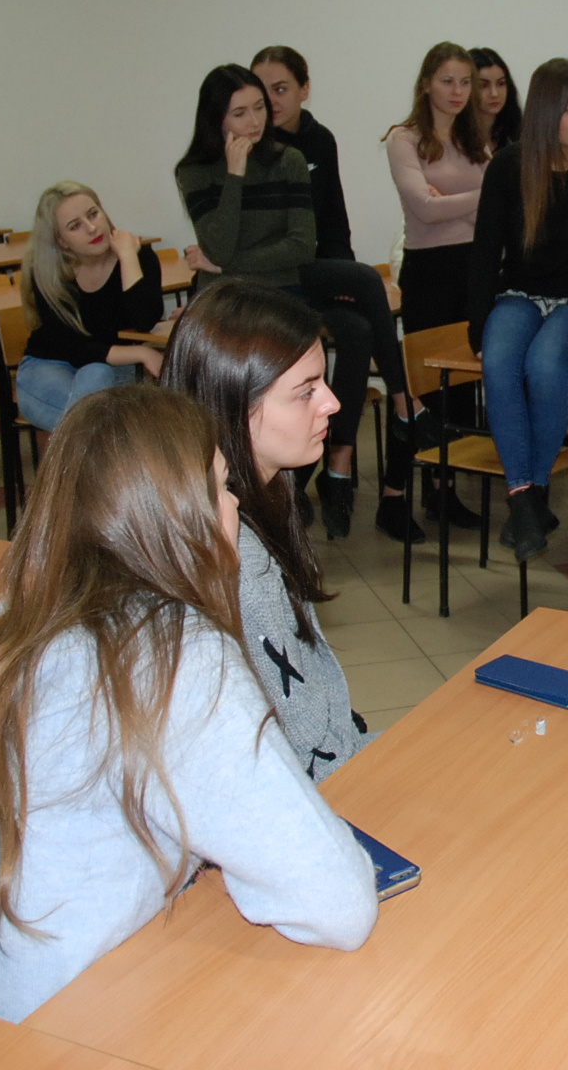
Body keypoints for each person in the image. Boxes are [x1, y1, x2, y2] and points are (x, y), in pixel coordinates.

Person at [0, 386, 378, 1021]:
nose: (236, 505)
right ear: (173, 517)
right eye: (220, 487)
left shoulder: (17, 625)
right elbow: (337, 904)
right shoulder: (181, 656)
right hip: (82, 1021)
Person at [174, 63, 439, 542]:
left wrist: (225, 262)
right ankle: (391, 424)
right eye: (240, 113)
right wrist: (234, 176)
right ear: (216, 120)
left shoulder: (288, 159)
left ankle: (394, 411)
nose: (255, 121)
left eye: (259, 107)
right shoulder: (194, 171)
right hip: (238, 299)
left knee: (363, 292)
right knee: (355, 324)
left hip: (290, 283)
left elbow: (300, 245)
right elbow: (218, 241)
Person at [161, 280, 370, 775]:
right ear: (234, 405)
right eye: (306, 392)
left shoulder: (265, 490)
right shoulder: (238, 551)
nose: (332, 403)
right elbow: (306, 754)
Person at [467, 58, 568, 560]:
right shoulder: (509, 166)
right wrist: (479, 327)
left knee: (543, 366)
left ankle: (531, 495)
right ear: (544, 112)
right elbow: (484, 252)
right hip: (519, 295)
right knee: (498, 361)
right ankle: (525, 499)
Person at [386, 42, 490, 529]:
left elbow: (493, 207)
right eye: (447, 80)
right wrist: (479, 196)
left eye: (465, 82)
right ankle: (393, 496)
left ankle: (442, 492)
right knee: (422, 389)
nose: (457, 91)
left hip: (472, 269)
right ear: (426, 83)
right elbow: (424, 211)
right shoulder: (404, 139)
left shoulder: (475, 140)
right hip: (428, 271)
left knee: (461, 387)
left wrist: (450, 199)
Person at [14, 181, 165, 432]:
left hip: (112, 369)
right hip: (49, 367)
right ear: (61, 241)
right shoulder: (48, 274)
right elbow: (73, 347)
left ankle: (82, 452)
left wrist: (128, 257)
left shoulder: (139, 257)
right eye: (75, 226)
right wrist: (142, 353)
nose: (92, 228)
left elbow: (144, 321)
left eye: (93, 214)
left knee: (97, 378)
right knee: (103, 416)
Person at [251, 46, 355, 262]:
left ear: (304, 89)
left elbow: (333, 217)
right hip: (262, 264)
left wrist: (344, 266)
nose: (269, 101)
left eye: (280, 89)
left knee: (362, 278)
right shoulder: (249, 143)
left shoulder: (321, 139)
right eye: (261, 91)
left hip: (309, 259)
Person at [470, 47, 522, 153]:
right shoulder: (455, 140)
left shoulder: (517, 137)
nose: (494, 93)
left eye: (501, 83)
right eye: (483, 85)